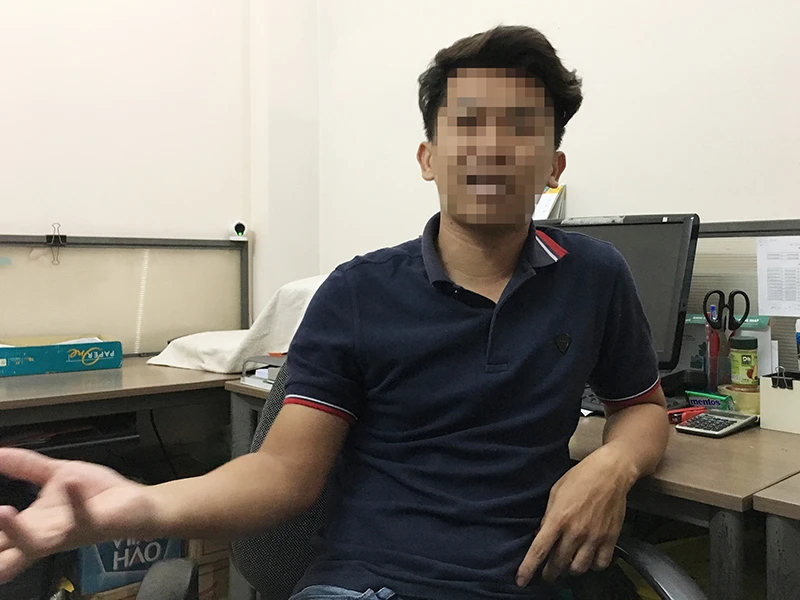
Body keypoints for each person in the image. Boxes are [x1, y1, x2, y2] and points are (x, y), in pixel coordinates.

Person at [0, 25, 669, 600]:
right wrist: (138, 506)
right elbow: (282, 472)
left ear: (553, 165)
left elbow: (641, 406)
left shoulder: (594, 275)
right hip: (371, 583)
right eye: (468, 123)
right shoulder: (358, 293)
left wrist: (611, 466)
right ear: (428, 158)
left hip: (530, 580)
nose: (492, 146)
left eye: (520, 126)